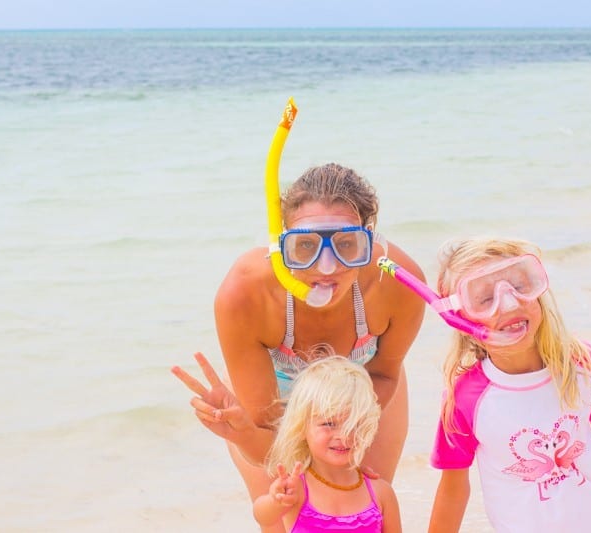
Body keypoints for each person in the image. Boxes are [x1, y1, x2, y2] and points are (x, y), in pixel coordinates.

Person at [171, 163, 425, 532]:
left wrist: (350, 430)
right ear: (280, 243)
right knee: (282, 516)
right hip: (274, 404)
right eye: (305, 246)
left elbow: (384, 373)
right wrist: (243, 432)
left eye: (346, 245)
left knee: (368, 507)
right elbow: (263, 437)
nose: (326, 267)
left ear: (368, 241)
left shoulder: (398, 282)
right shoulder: (245, 293)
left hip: (367, 395)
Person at [426, 237, 591, 533]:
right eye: (486, 299)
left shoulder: (581, 364)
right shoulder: (466, 397)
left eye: (519, 285)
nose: (510, 302)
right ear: (463, 321)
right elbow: (454, 486)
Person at [253, 354, 402, 532]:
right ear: (301, 427)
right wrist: (274, 501)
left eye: (353, 424)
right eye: (328, 424)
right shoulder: (296, 491)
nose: (343, 435)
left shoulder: (381, 494)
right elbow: (263, 517)